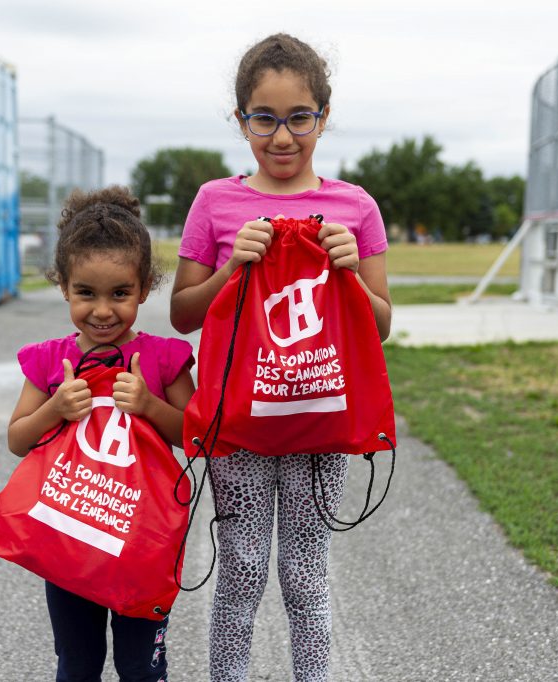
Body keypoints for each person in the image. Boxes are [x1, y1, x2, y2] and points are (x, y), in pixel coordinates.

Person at [170, 33, 392, 682]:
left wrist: (351, 274)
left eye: (300, 117)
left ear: (324, 116)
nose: (283, 136)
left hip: (319, 424)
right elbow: (183, 314)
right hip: (239, 424)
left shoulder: (356, 207)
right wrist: (229, 270)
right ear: (241, 119)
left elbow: (380, 326)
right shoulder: (216, 202)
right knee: (240, 572)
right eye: (264, 118)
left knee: (305, 574)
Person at [8, 185, 195, 682]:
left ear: (145, 287)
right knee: (77, 664)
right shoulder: (49, 361)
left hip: (141, 542)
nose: (103, 310)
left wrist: (150, 405)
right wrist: (54, 409)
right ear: (63, 286)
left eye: (120, 293)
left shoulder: (164, 359)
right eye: (86, 293)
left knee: (141, 668)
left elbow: (198, 437)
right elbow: (18, 439)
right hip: (70, 539)